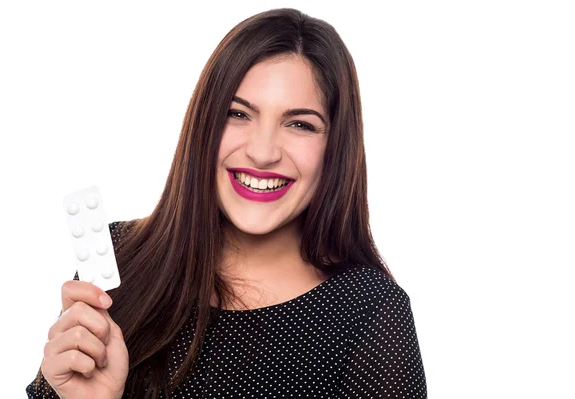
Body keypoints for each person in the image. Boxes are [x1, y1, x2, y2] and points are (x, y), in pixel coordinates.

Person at [26, 7, 427, 399]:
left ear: (335, 147)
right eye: (238, 114)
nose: (263, 152)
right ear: (204, 124)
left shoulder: (371, 315)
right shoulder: (120, 260)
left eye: (300, 124)